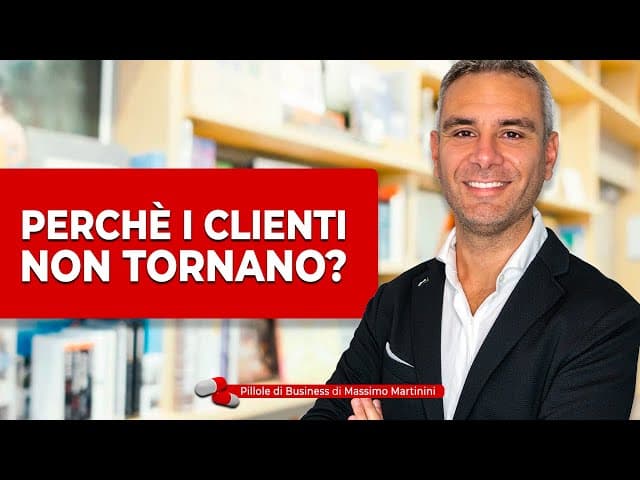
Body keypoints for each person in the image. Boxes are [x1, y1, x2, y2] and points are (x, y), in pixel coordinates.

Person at [301, 60, 640, 420]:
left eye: (512, 133)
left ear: (548, 155)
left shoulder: (606, 318)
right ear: (436, 152)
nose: (485, 157)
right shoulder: (393, 301)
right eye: (464, 132)